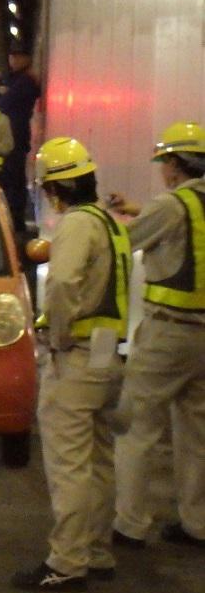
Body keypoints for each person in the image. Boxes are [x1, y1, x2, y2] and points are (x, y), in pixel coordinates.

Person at [11, 138, 129, 592]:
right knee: (99, 461)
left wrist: (56, 336)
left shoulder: (76, 224)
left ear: (54, 189)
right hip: (108, 355)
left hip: (77, 355)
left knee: (69, 465)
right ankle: (97, 552)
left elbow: (61, 283)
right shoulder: (110, 223)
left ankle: (67, 561)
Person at [108, 121, 205, 551]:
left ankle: (130, 524)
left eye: (165, 162)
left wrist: (106, 223)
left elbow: (125, 243)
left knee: (137, 427)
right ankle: (197, 524)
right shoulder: (187, 203)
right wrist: (137, 207)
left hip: (170, 332)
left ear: (175, 164)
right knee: (196, 433)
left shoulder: (169, 204)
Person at [0, 47, 42, 229]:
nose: (12, 60)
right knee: (11, 180)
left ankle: (15, 221)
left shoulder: (25, 81)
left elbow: (3, 104)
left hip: (16, 136)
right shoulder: (16, 80)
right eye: (11, 56)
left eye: (17, 57)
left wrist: (0, 92)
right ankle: (11, 219)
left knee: (14, 181)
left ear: (26, 58)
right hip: (13, 136)